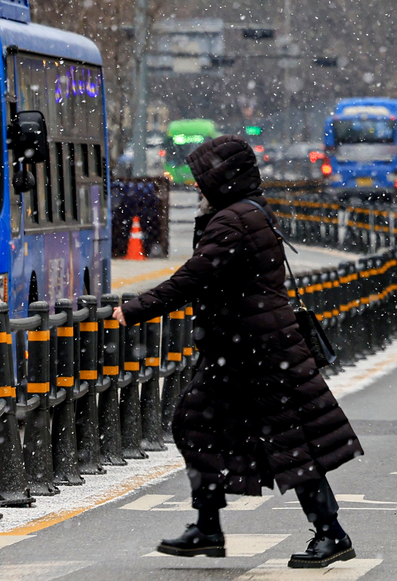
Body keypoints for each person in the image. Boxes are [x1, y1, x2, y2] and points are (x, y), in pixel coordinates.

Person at [115, 136, 363, 568]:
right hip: (243, 348)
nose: (197, 189)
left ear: (222, 180)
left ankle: (331, 533)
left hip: (260, 351)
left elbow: (192, 279)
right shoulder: (246, 213)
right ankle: (207, 527)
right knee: (196, 423)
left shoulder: (234, 221)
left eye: (202, 180)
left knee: (291, 440)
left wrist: (133, 310)